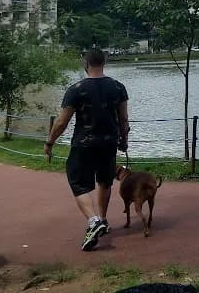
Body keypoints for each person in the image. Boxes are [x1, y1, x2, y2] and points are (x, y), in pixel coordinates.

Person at [45, 49, 130, 251]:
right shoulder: (118, 87)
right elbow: (123, 119)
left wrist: (50, 142)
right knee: (104, 180)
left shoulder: (76, 89)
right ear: (105, 62)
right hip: (109, 142)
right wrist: (124, 140)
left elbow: (62, 121)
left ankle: (93, 221)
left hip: (84, 143)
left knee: (78, 183)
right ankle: (103, 219)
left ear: (86, 63)